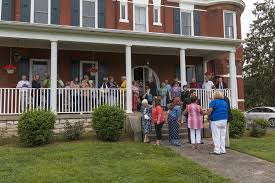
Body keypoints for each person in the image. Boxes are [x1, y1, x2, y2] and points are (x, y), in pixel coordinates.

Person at [207, 91, 229, 155]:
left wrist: (208, 114)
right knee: (222, 136)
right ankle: (223, 150)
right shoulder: (225, 102)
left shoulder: (213, 102)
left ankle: (217, 150)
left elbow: (210, 111)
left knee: (216, 136)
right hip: (224, 119)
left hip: (216, 120)